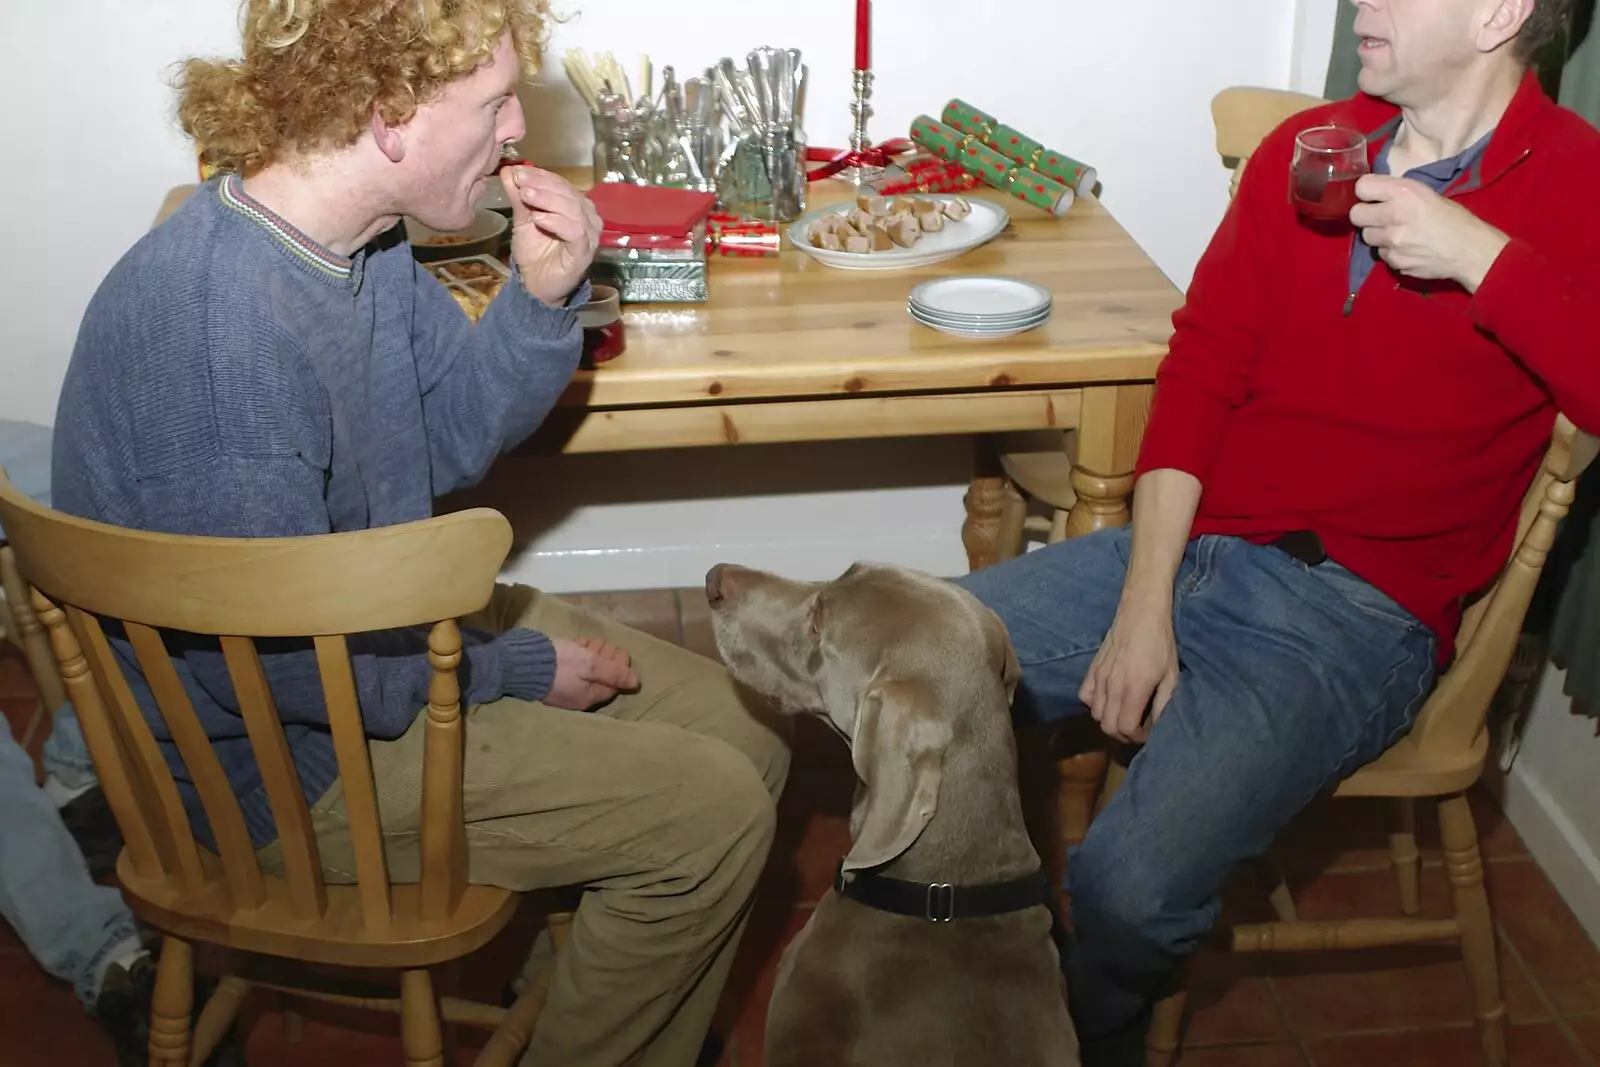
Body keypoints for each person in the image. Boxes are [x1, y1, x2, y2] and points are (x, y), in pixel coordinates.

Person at [48, 3, 789, 1066]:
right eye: (492, 105)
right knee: (712, 814)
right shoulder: (224, 337)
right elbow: (291, 672)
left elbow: (444, 437)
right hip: (278, 769)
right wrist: (516, 667)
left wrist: (539, 300)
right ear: (388, 113)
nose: (513, 136)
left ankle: (595, 995)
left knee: (750, 727)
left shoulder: (363, 242)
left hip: (369, 637)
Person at [956, 0, 1600, 1062]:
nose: (1361, 4)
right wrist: (1143, 606)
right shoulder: (1307, 152)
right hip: (1191, 547)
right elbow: (1200, 375)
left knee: (1127, 884)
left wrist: (1483, 256)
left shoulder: (1578, 182)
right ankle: (964, 956)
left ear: (1499, 12)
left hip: (1356, 615)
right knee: (897, 650)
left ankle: (1079, 1038)